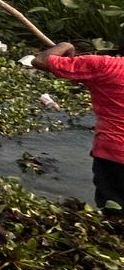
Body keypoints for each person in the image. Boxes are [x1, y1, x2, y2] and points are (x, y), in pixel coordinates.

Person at [32, 38, 124, 218]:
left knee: (115, 213)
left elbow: (40, 60)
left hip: (114, 155)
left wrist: (65, 46)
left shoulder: (103, 65)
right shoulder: (102, 66)